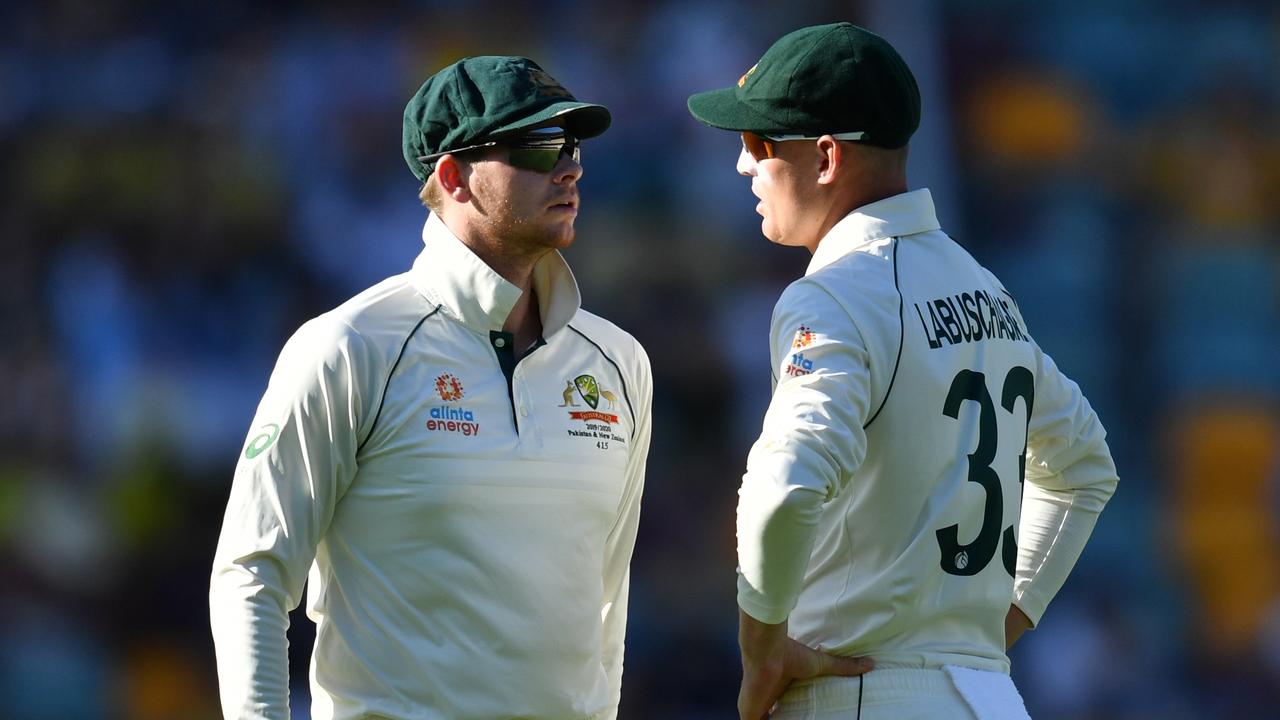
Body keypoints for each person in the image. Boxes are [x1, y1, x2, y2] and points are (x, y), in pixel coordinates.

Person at [687, 23, 1119, 720]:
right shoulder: (985, 290)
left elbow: (786, 485)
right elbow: (1085, 467)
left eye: (759, 145)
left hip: (860, 692)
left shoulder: (831, 293)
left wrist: (763, 649)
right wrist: (987, 634)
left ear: (826, 157)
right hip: (988, 700)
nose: (743, 167)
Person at [210, 56, 652, 720]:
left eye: (572, 145)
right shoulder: (351, 346)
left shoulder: (618, 362)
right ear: (453, 177)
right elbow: (251, 573)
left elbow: (608, 601)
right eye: (535, 146)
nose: (568, 167)